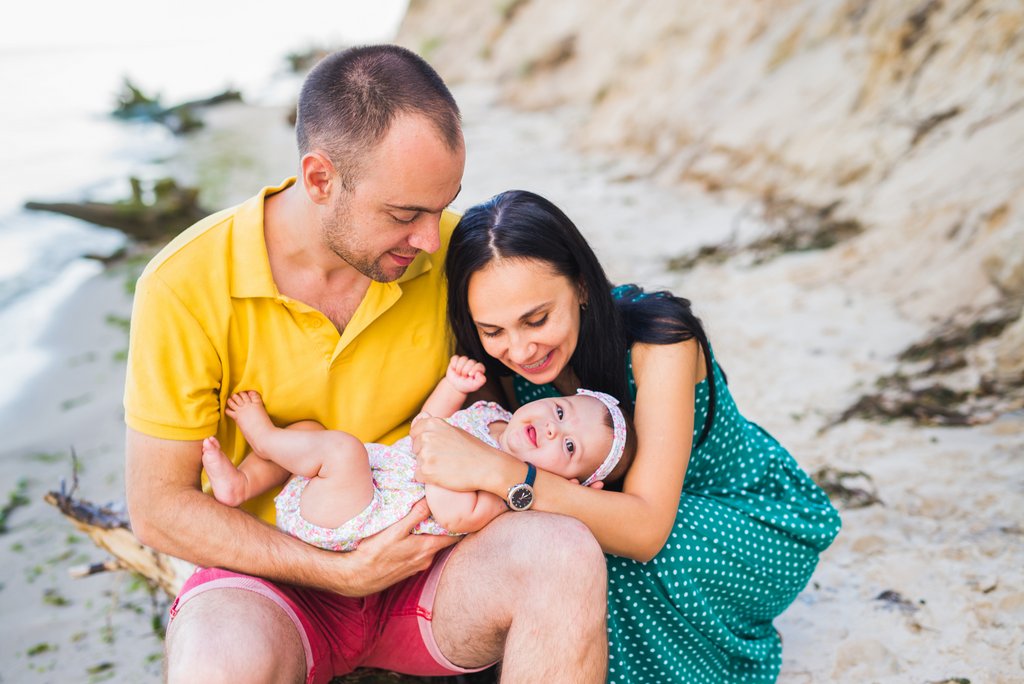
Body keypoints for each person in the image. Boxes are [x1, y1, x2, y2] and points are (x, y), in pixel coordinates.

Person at [123, 47, 608, 684]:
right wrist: (336, 572)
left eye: (442, 207)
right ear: (320, 178)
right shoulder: (183, 285)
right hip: (270, 581)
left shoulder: (451, 256)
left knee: (566, 552)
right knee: (217, 664)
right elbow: (158, 506)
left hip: (435, 570)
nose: (432, 241)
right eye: (405, 214)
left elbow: (556, 358)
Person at [411, 189, 843, 683]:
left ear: (581, 287)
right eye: (493, 330)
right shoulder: (501, 360)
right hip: (612, 507)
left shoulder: (659, 340)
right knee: (547, 549)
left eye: (537, 319)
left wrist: (505, 473)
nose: (519, 349)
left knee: (600, 555)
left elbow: (644, 531)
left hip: (742, 516)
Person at [201, 355, 635, 548]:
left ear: (571, 482)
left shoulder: (506, 500)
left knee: (341, 450)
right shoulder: (492, 415)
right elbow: (425, 426)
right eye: (559, 412)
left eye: (570, 446)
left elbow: (452, 516)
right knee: (312, 433)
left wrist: (456, 465)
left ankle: (262, 436)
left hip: (360, 518)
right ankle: (244, 483)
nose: (552, 429)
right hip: (362, 479)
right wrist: (453, 387)